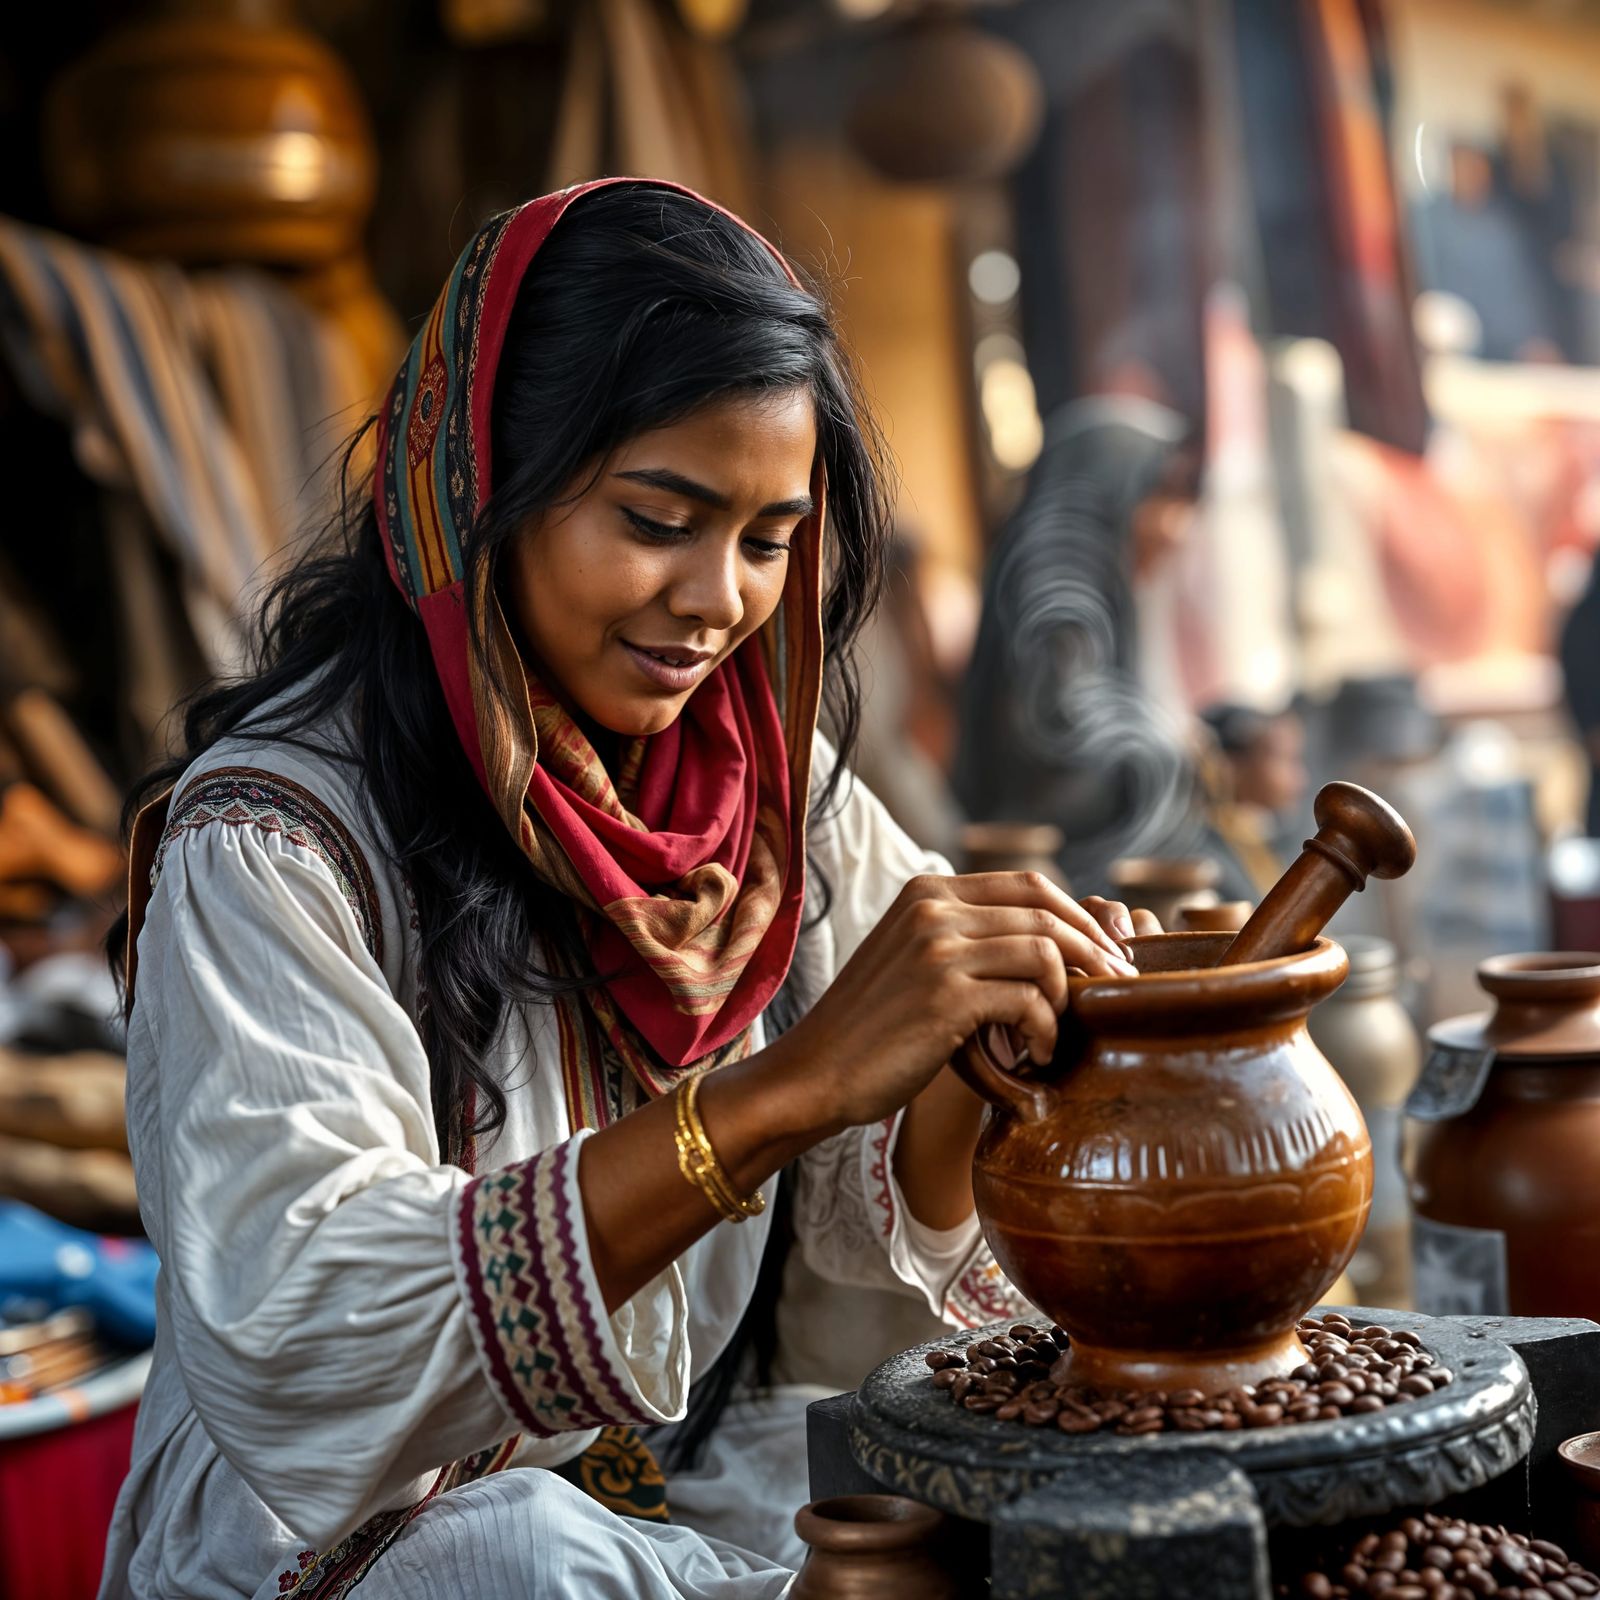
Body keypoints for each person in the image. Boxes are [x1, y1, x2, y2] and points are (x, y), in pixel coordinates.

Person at [97, 180, 1150, 1600]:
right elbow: (312, 1324)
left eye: (770, 540)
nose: (717, 600)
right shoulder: (274, 841)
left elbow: (876, 1206)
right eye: (661, 517)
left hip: (647, 1493)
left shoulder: (758, 787)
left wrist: (976, 1052)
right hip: (337, 1555)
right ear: (482, 485)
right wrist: (781, 1092)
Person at [954, 395, 1205, 897]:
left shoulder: (1102, 588)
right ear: (1104, 490)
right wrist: (1181, 752)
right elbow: (1058, 731)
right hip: (1061, 868)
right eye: (1160, 495)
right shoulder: (1055, 594)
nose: (1177, 527)